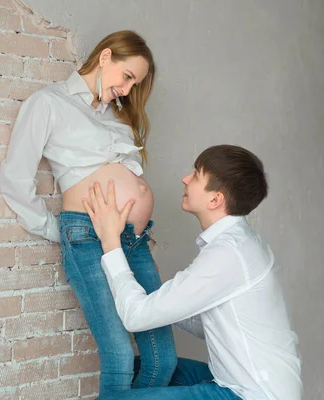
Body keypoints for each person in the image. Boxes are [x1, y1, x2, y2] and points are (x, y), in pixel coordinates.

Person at [0, 30, 177, 394]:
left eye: (135, 83)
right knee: (119, 357)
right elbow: (15, 176)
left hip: (134, 241)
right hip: (89, 237)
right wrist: (55, 228)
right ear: (106, 56)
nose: (128, 90)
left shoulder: (117, 115)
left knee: (163, 360)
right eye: (127, 77)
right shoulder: (49, 102)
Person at [81, 144, 302, 400]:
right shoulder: (239, 243)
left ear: (215, 199)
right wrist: (161, 297)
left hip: (250, 395)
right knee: (139, 367)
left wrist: (110, 242)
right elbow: (204, 323)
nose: (185, 179)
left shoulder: (228, 254)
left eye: (196, 175)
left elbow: (135, 318)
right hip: (246, 385)